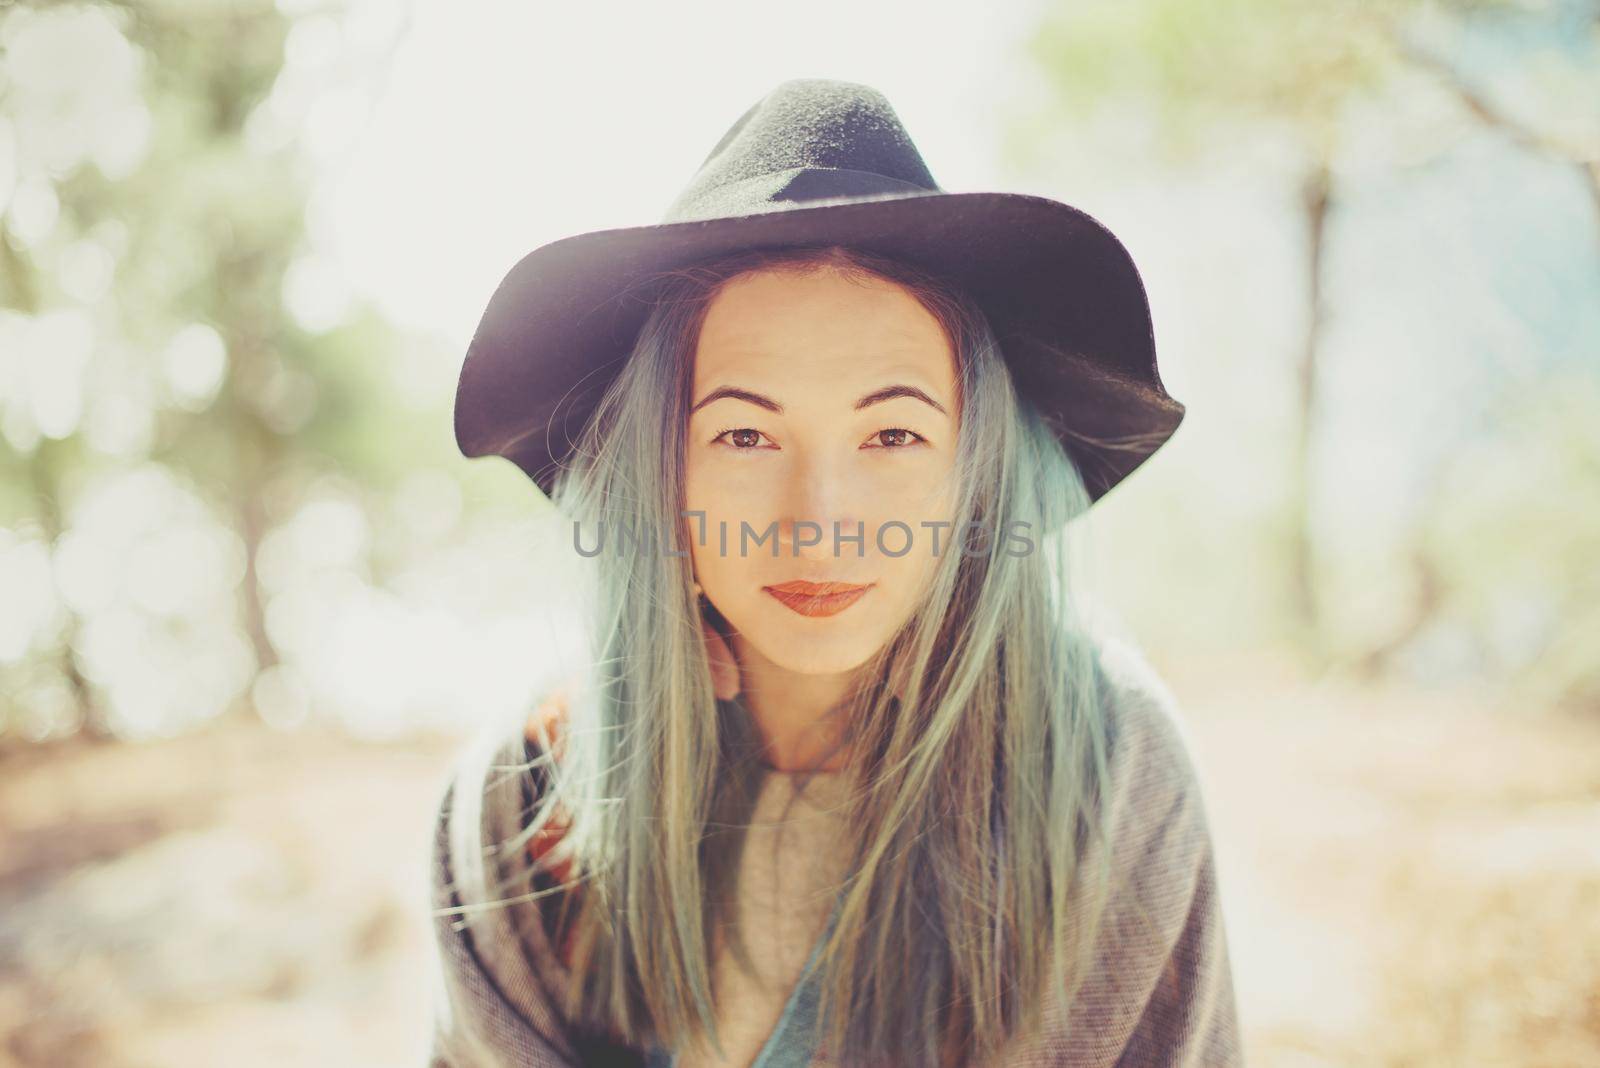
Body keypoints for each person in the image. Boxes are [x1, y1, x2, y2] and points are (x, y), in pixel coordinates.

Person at [425, 79, 1243, 1068]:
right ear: (656, 474)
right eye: (743, 434)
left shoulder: (1099, 766)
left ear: (976, 477)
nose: (820, 522)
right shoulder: (523, 805)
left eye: (893, 432)